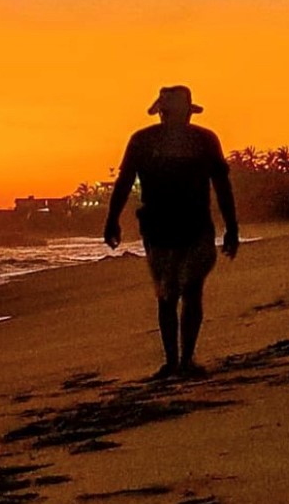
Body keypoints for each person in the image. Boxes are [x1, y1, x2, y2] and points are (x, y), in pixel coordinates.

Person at [103, 85, 239, 379]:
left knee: (187, 292)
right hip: (160, 229)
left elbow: (222, 186)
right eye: (168, 112)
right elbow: (124, 181)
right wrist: (112, 219)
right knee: (169, 294)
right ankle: (175, 362)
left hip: (191, 227)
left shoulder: (202, 140)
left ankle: (183, 361)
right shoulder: (144, 141)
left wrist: (232, 228)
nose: (172, 118)